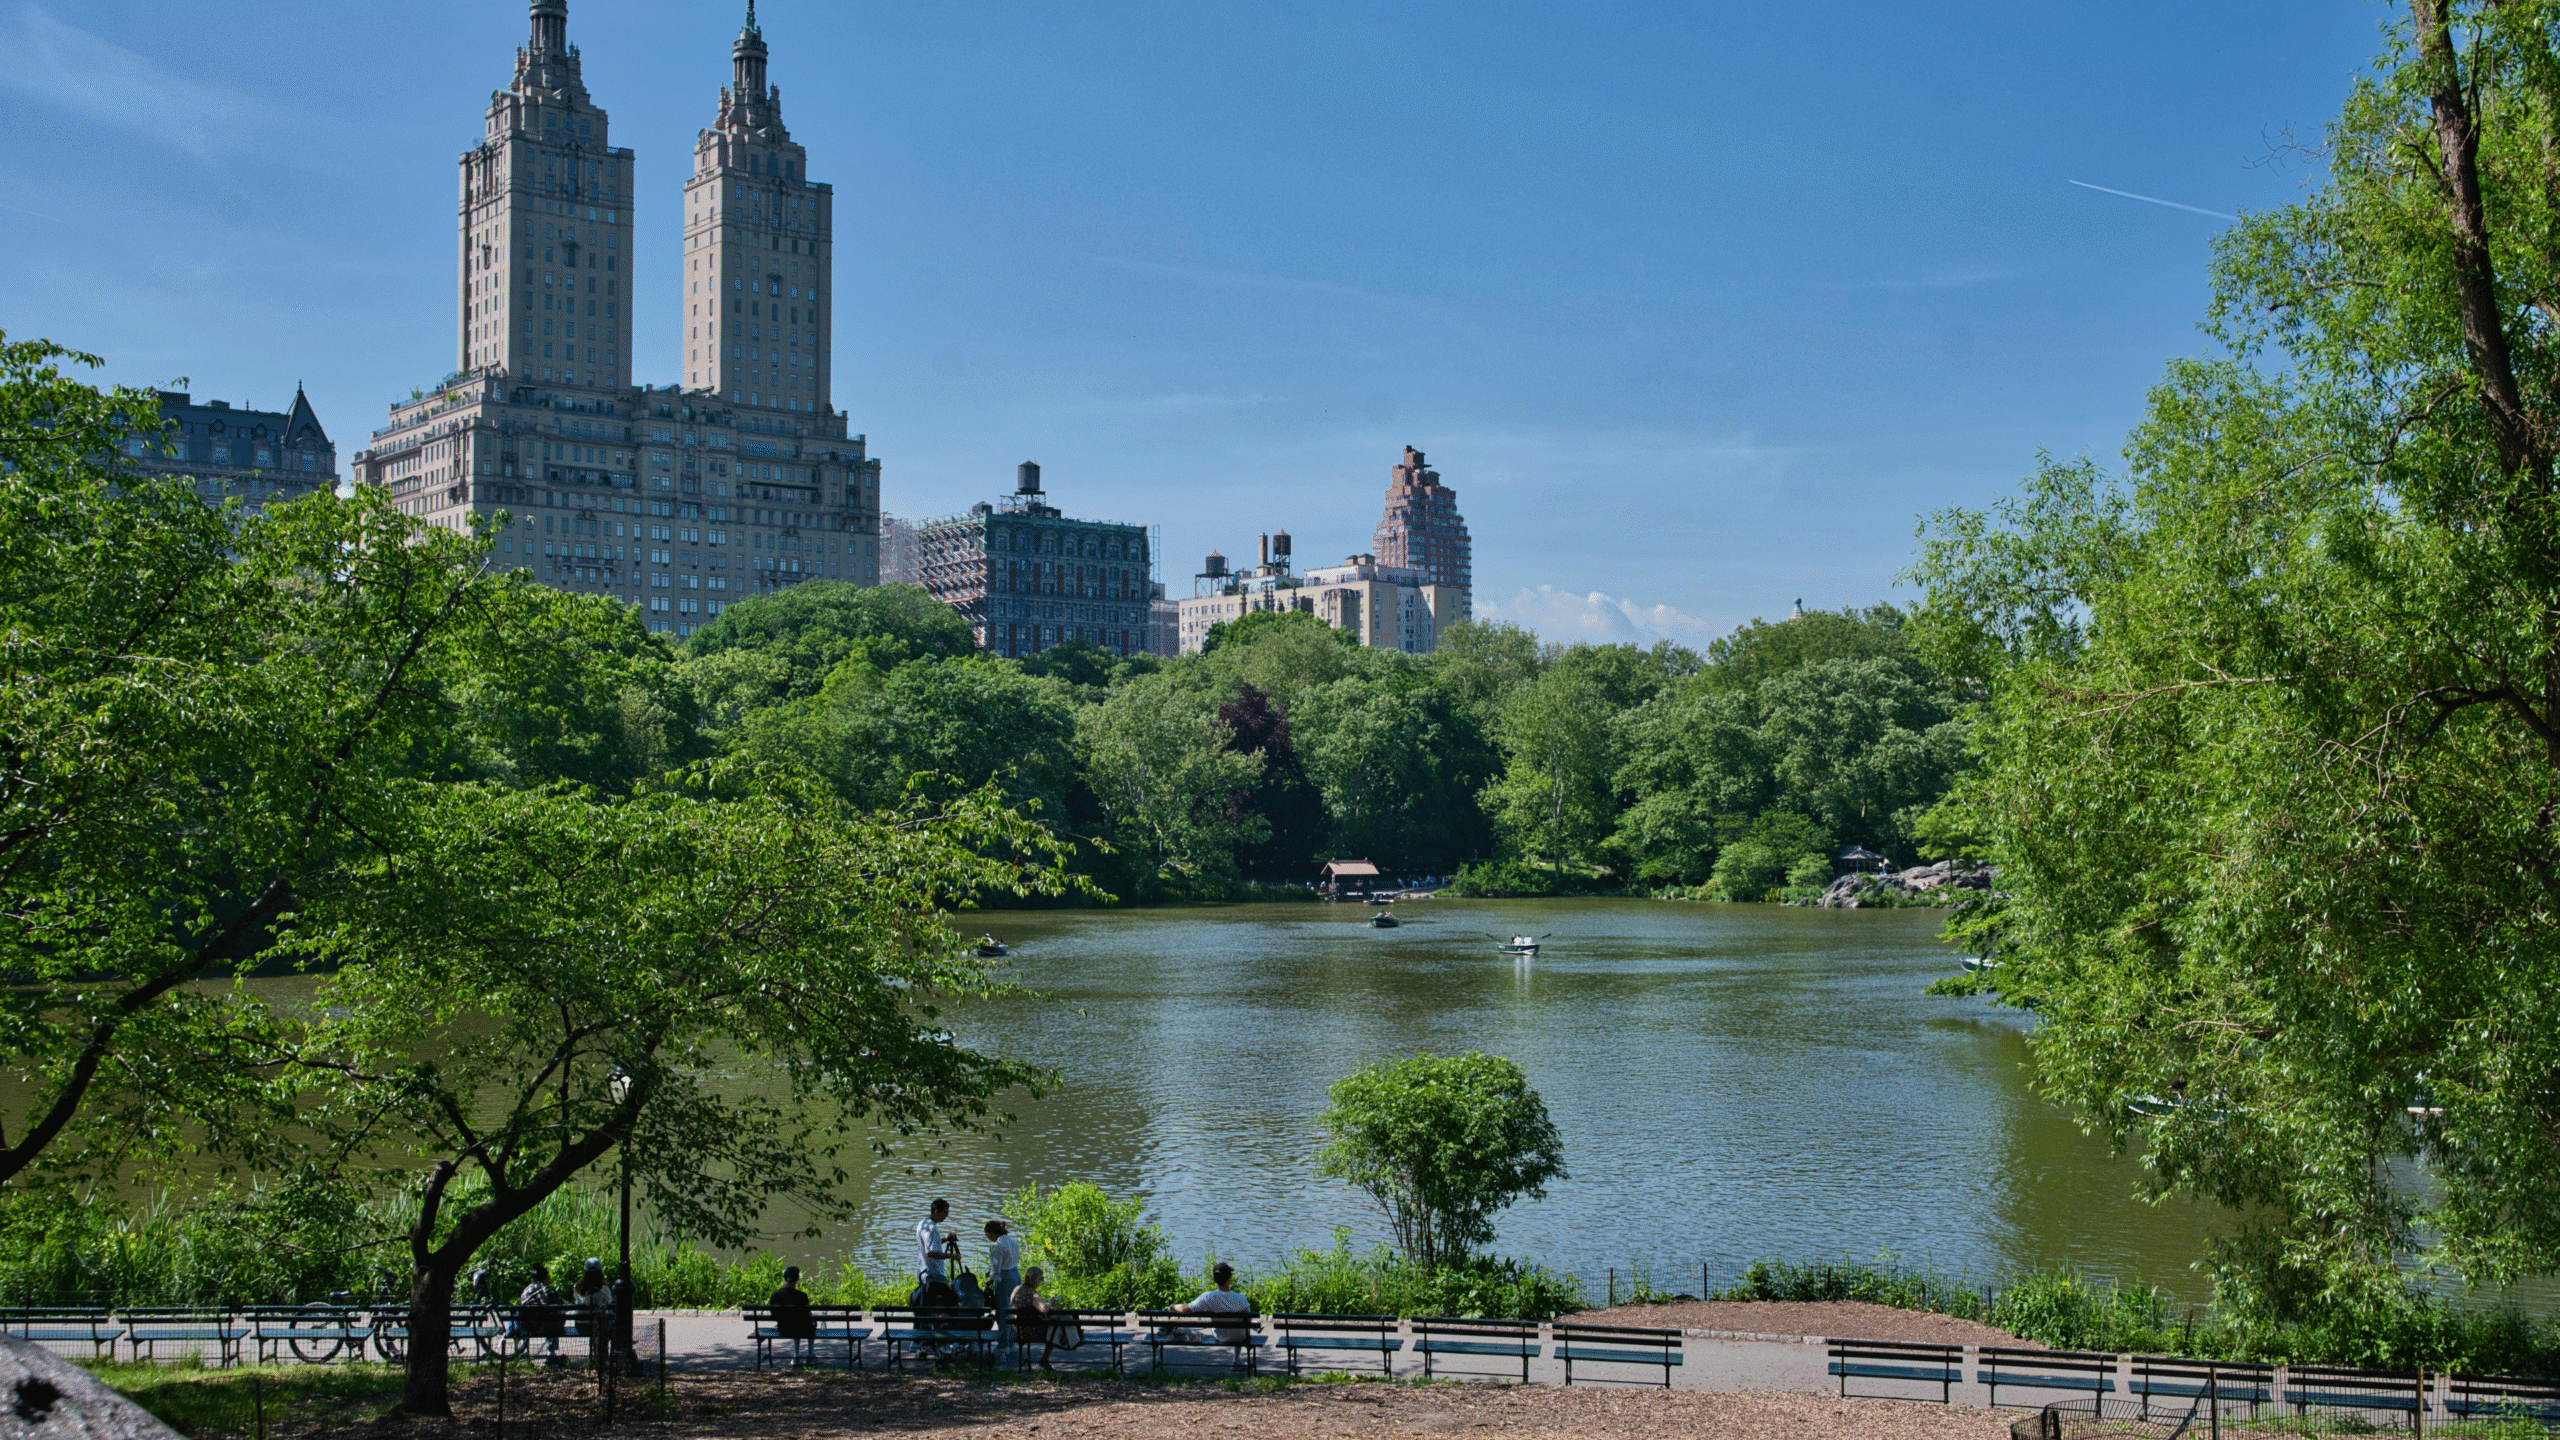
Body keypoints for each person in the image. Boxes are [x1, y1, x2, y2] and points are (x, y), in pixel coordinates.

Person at [1172, 1262, 1252, 1345]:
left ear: (1215, 1279)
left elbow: (1184, 1309)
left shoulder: (1208, 1297)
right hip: (1240, 1337)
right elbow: (1249, 1320)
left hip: (1220, 1336)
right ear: (1229, 1280)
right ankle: (1236, 1358)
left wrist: (1173, 1306)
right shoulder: (1241, 1298)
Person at [511, 1262, 566, 1368]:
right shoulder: (550, 1291)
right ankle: (551, 1354)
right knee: (555, 1319)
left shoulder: (526, 1291)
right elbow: (561, 1308)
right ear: (545, 1278)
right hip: (549, 1328)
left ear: (533, 1278)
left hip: (530, 1328)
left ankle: (525, 1352)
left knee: (523, 1317)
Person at [1011, 1265, 1059, 1372]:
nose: (1040, 1283)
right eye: (1040, 1280)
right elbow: (1044, 1310)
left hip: (1017, 1330)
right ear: (1036, 1280)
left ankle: (1043, 1360)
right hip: (1030, 1331)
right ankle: (1044, 1360)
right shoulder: (1032, 1294)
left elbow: (1012, 1304)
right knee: (1054, 1330)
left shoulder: (1016, 1289)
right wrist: (1050, 1302)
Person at [768, 1264, 816, 1367]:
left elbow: (773, 1314)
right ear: (797, 1279)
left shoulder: (775, 1295)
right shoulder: (802, 1296)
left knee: (797, 1324)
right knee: (810, 1324)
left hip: (784, 1329)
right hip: (802, 1329)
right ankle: (811, 1356)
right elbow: (809, 1314)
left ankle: (796, 1357)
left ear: (785, 1278)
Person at [985, 1220, 1023, 1339]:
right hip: (1016, 1275)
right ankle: (1012, 1339)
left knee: (1002, 1312)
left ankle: (1003, 1343)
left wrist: (988, 1283)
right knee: (1012, 1311)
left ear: (991, 1233)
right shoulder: (1013, 1241)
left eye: (987, 1234)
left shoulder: (997, 1247)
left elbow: (996, 1272)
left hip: (1004, 1279)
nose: (987, 1237)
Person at [915, 1199, 960, 1288]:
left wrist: (945, 1239)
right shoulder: (932, 1229)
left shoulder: (923, 1223)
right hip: (933, 1276)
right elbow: (931, 1253)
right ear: (936, 1212)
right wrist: (953, 1256)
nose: (947, 1216)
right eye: (945, 1213)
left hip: (923, 1273)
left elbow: (929, 1245)